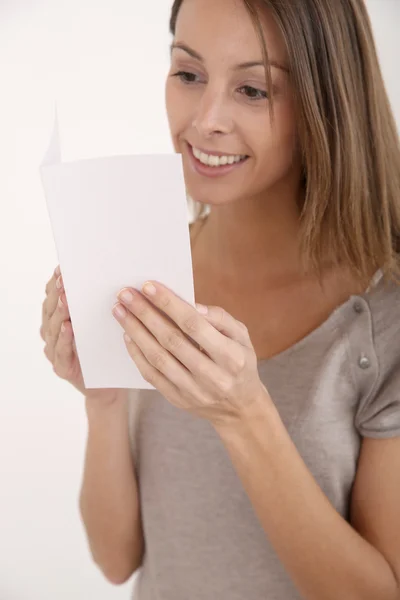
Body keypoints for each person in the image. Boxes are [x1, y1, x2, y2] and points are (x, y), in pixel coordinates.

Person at [40, 0, 400, 598]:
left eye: (253, 90)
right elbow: (115, 558)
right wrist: (102, 402)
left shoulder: (382, 317)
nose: (205, 119)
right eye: (189, 74)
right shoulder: (149, 270)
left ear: (326, 101)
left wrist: (244, 415)